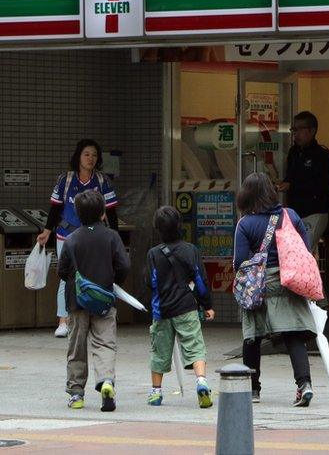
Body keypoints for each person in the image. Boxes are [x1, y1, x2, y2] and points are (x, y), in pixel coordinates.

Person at [234, 172, 316, 406]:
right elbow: (305, 250)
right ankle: (304, 385)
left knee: (253, 336)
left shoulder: (245, 224)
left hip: (259, 286)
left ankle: (253, 390)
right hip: (289, 282)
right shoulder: (291, 216)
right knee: (293, 335)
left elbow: (239, 261)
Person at [37, 139, 120, 338]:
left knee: (94, 275)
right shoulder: (65, 180)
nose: (91, 158)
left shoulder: (102, 181)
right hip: (66, 236)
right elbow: (56, 207)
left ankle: (94, 317)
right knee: (66, 277)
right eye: (86, 154)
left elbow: (111, 211)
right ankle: (63, 321)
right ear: (78, 157)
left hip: (94, 237)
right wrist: (47, 231)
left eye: (94, 155)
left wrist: (114, 234)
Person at [57, 190, 130, 411]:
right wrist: (111, 282)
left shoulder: (71, 239)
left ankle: (76, 394)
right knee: (105, 344)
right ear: (102, 214)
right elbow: (124, 266)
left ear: (78, 215)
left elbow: (62, 271)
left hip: (77, 303)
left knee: (76, 347)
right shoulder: (111, 236)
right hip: (105, 301)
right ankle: (106, 381)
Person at [145, 206, 215, 408]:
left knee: (159, 352)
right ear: (179, 226)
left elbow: (150, 282)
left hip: (162, 311)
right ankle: (201, 382)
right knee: (195, 347)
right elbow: (200, 281)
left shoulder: (153, 254)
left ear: (158, 229)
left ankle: (156, 393)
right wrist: (207, 305)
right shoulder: (190, 250)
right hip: (186, 308)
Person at [278, 111, 329, 236]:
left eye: (300, 129)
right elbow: (290, 177)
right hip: (295, 211)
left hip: (314, 211)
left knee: (303, 250)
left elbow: (320, 184)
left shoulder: (322, 154)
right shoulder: (294, 152)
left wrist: (292, 186)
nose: (296, 134)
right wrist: (283, 183)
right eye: (294, 129)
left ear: (312, 131)